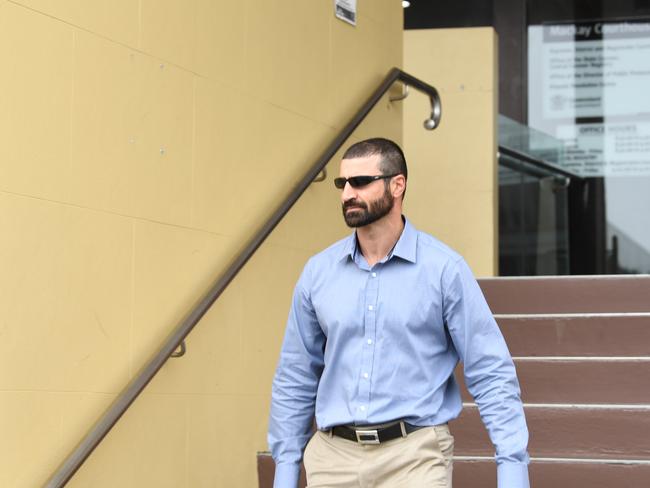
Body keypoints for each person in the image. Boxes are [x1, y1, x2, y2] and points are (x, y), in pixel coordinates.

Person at [268, 138, 530, 488]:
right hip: (333, 460)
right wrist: (286, 472)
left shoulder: (443, 270)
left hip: (414, 457)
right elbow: (296, 376)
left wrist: (512, 469)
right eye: (342, 183)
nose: (347, 193)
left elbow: (490, 370)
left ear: (398, 184)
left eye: (360, 182)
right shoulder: (318, 273)